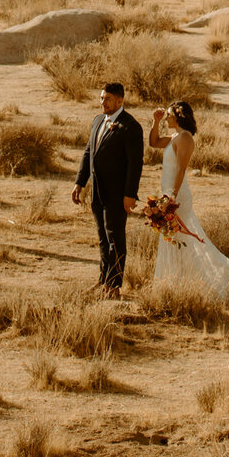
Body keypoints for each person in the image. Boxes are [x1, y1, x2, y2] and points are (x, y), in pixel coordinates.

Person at [147, 101, 229, 303]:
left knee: (180, 238)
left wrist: (171, 198)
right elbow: (153, 142)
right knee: (172, 238)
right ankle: (174, 283)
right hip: (168, 194)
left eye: (168, 114)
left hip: (176, 196)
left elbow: (180, 169)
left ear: (178, 116)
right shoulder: (174, 137)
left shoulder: (185, 138)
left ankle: (183, 283)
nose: (166, 117)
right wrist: (155, 121)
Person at [71, 81, 144, 296]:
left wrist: (130, 195)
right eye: (101, 98)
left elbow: (135, 164)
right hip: (97, 192)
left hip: (117, 194)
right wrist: (79, 182)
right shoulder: (97, 121)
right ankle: (103, 280)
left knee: (115, 238)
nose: (103, 102)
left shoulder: (130, 127)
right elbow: (88, 153)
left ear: (120, 101)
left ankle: (114, 285)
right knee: (103, 238)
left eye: (108, 99)